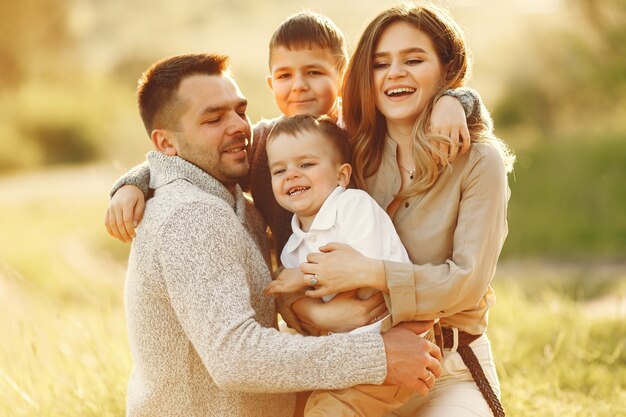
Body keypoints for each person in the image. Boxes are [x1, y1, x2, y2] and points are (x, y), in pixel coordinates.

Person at [123, 52, 442, 417]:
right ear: (166, 144)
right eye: (213, 118)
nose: (239, 128)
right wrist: (379, 356)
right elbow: (237, 358)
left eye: (240, 111)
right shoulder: (192, 214)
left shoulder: (237, 205)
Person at [104, 10, 480, 264]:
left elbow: (432, 119)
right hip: (301, 287)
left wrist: (454, 101)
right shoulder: (263, 142)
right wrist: (133, 182)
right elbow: (194, 153)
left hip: (378, 276)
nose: (299, 87)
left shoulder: (363, 127)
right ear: (271, 83)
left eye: (314, 72)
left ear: (344, 77)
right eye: (284, 76)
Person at [290, 4, 516, 417]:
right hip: (364, 367)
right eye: (381, 64)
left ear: (447, 71)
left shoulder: (481, 162)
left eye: (414, 60)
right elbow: (260, 141)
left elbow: (465, 282)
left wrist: (369, 272)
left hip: (449, 369)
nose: (395, 73)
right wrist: (140, 178)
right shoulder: (348, 153)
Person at [264, 113, 437, 417]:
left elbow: (357, 272)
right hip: (351, 356)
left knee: (326, 412)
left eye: (306, 165)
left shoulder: (353, 206)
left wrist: (300, 278)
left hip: (396, 344)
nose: (291, 174)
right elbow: (299, 308)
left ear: (342, 175)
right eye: (279, 170)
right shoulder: (293, 246)